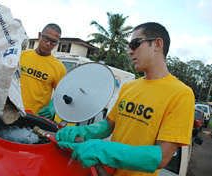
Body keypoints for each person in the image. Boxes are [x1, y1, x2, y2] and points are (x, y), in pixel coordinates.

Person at [56, 22, 195, 176]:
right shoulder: (129, 87)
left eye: (135, 44)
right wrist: (83, 131)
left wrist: (104, 150)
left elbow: (162, 156)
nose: (129, 51)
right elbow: (108, 125)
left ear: (157, 44)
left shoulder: (181, 94)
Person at [20, 23, 66, 119]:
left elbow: (62, 93)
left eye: (53, 42)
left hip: (36, 118)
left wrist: (53, 107)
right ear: (39, 36)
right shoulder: (21, 56)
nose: (48, 44)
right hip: (12, 111)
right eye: (46, 38)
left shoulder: (59, 67)